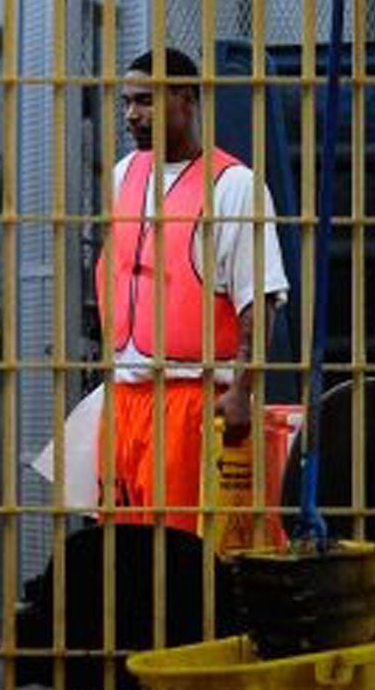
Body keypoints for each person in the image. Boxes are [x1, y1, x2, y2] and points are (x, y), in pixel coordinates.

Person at [93, 47, 289, 534]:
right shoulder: (123, 175)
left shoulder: (234, 187)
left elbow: (258, 299)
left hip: (191, 401)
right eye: (127, 103)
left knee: (181, 551)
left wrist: (243, 389)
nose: (132, 115)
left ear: (187, 99)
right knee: (121, 549)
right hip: (124, 400)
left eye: (146, 101)